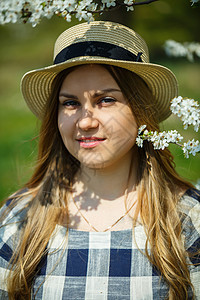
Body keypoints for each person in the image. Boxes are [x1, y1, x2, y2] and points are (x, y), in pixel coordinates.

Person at [0, 21, 199, 300]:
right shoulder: (21, 218)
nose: (86, 121)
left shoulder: (188, 220)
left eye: (105, 100)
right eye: (70, 103)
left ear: (141, 112)